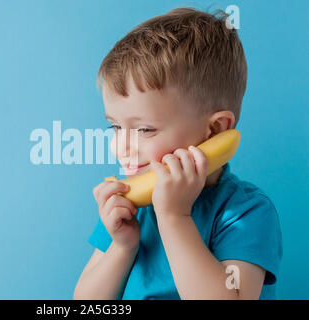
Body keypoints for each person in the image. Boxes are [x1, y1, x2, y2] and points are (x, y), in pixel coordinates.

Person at [74, 7, 283, 300]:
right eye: (115, 127)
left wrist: (174, 217)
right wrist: (122, 248)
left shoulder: (246, 212)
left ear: (213, 132)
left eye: (145, 130)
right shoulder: (131, 206)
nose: (121, 148)